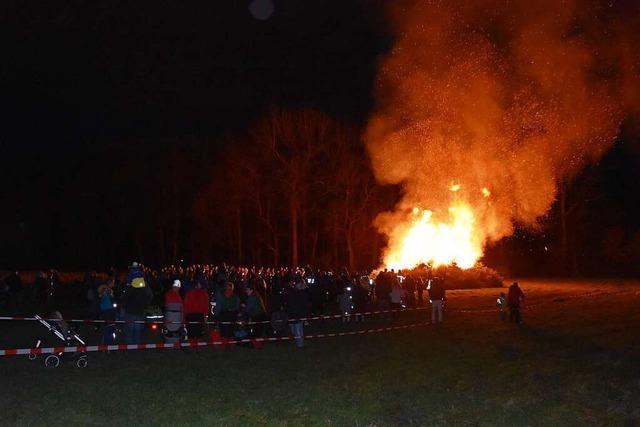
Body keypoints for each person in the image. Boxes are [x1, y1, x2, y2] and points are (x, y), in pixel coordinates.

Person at [121, 262, 153, 345]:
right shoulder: (144, 284)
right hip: (140, 311)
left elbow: (125, 297)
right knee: (138, 331)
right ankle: (136, 347)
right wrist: (145, 305)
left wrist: (123, 306)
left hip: (130, 311)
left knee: (129, 330)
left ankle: (130, 348)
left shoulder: (129, 283)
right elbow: (150, 295)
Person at [284, 278, 311, 348]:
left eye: (300, 284)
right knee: (294, 330)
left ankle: (300, 345)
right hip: (292, 313)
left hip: (298, 314)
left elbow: (305, 305)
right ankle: (298, 342)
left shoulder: (303, 292)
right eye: (298, 284)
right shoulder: (292, 291)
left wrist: (305, 317)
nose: (299, 285)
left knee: (298, 329)